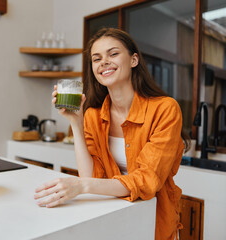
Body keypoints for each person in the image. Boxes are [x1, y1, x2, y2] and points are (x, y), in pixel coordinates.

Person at [34, 28, 190, 240]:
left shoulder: (165, 109)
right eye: (96, 58)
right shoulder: (93, 115)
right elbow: (90, 176)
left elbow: (147, 181)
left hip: (154, 220)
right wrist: (76, 123)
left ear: (134, 60)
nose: (103, 62)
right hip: (113, 217)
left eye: (113, 54)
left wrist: (82, 186)